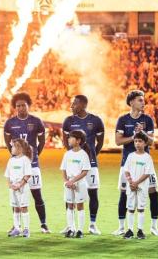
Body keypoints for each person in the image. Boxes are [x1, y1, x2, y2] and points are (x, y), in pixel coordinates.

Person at [114, 90, 158, 236]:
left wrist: (143, 133)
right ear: (132, 102)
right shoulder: (123, 120)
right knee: (124, 194)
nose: (143, 102)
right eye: (140, 100)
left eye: (143, 100)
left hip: (145, 164)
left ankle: (154, 227)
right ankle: (122, 227)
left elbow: (152, 142)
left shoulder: (147, 120)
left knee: (153, 193)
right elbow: (118, 141)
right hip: (127, 164)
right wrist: (134, 136)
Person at [3, 92, 50, 234]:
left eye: (23, 105)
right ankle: (16, 225)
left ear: (28, 105)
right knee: (16, 196)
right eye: (18, 106)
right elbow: (7, 142)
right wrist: (15, 157)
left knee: (37, 194)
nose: (21, 108)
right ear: (15, 107)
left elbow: (41, 142)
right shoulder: (10, 123)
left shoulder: (36, 121)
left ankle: (43, 224)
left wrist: (34, 155)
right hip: (17, 166)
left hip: (33, 166)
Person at [62, 95, 104, 235]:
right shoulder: (68, 121)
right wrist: (74, 158)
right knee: (70, 191)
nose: (71, 106)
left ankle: (92, 224)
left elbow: (100, 142)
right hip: (73, 165)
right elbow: (65, 143)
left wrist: (90, 156)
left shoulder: (96, 121)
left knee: (93, 192)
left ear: (83, 105)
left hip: (90, 165)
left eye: (74, 104)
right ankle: (70, 225)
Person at [123, 132, 155, 240]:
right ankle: (130, 230)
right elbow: (126, 170)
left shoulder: (147, 158)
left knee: (141, 208)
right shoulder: (130, 156)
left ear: (145, 143)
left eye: (140, 141)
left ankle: (140, 230)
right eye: (135, 141)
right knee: (130, 208)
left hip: (142, 187)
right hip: (131, 186)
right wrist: (130, 181)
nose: (137, 143)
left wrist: (137, 183)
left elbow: (147, 173)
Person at [61, 130, 91, 239]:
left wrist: (73, 181)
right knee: (69, 205)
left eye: (71, 137)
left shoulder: (83, 155)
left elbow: (85, 171)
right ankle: (71, 229)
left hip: (80, 183)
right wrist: (67, 182)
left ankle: (80, 230)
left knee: (79, 206)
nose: (68, 139)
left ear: (78, 141)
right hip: (69, 183)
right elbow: (63, 169)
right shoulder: (67, 154)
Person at [5, 139, 32, 238]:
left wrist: (19, 185)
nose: (11, 148)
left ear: (19, 148)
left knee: (23, 207)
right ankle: (17, 228)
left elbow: (28, 175)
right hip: (13, 188)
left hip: (22, 188)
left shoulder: (25, 160)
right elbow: (7, 174)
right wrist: (10, 185)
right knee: (15, 208)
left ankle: (26, 229)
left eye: (13, 146)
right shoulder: (11, 160)